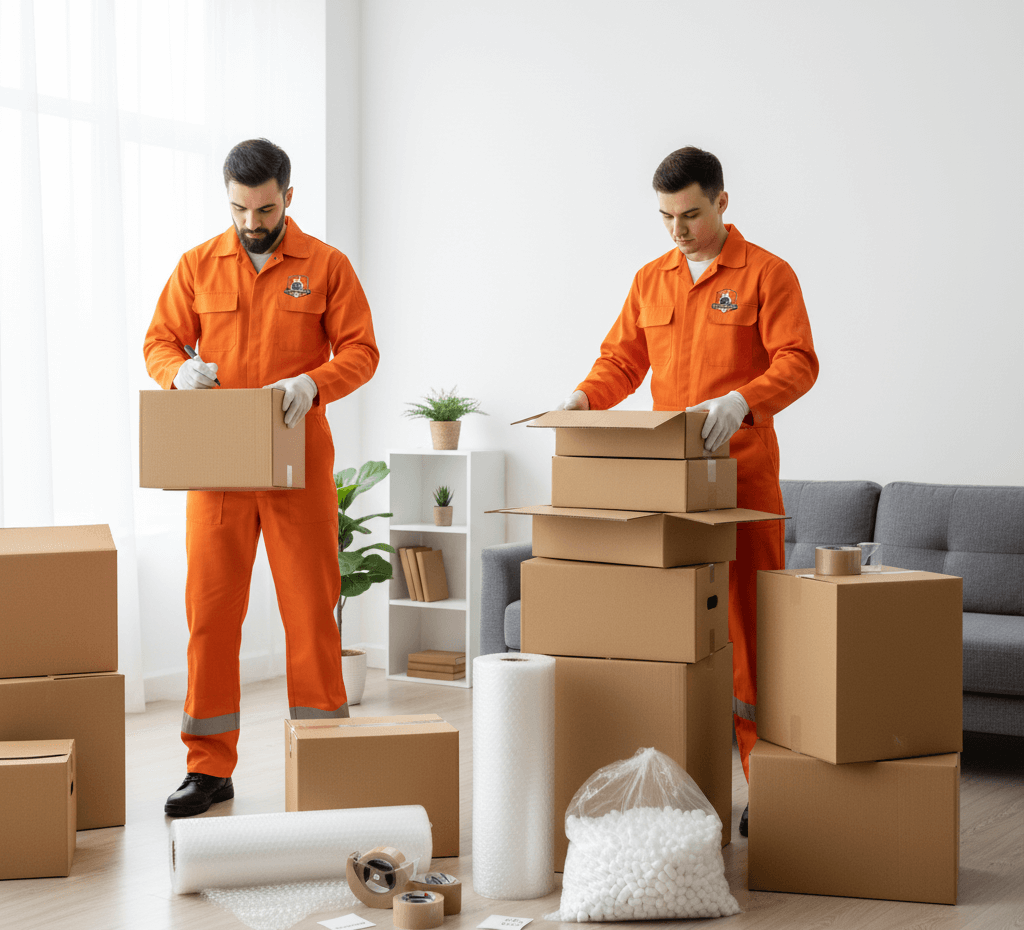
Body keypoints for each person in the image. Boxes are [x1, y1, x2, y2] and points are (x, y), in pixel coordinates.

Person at [556, 146, 818, 837]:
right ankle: (681, 787)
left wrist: (746, 399)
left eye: (691, 214)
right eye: (667, 216)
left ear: (723, 204)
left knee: (755, 642)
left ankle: (772, 787)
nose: (678, 229)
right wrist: (585, 398)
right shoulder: (652, 281)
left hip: (744, 485)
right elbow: (622, 359)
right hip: (671, 489)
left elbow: (798, 362)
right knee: (675, 640)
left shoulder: (767, 275)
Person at [144, 139, 379, 816]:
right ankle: (209, 770)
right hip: (216, 468)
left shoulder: (327, 266)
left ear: (289, 197)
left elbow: (363, 350)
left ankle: (324, 757)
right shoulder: (197, 265)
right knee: (211, 618)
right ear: (229, 199)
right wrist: (176, 372)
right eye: (241, 208)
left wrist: (316, 380)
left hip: (295, 466)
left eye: (266, 206)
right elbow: (159, 340)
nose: (253, 220)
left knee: (311, 615)